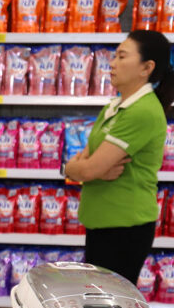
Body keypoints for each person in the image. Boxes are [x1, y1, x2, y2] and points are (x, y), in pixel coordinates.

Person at [65, 30, 173, 284]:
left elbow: (87, 169)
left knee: (109, 303)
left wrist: (83, 169)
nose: (112, 64)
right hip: (103, 222)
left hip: (124, 227)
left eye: (122, 57)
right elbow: (80, 165)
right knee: (97, 299)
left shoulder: (141, 111)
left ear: (146, 68)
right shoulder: (115, 106)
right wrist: (76, 168)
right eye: (114, 56)